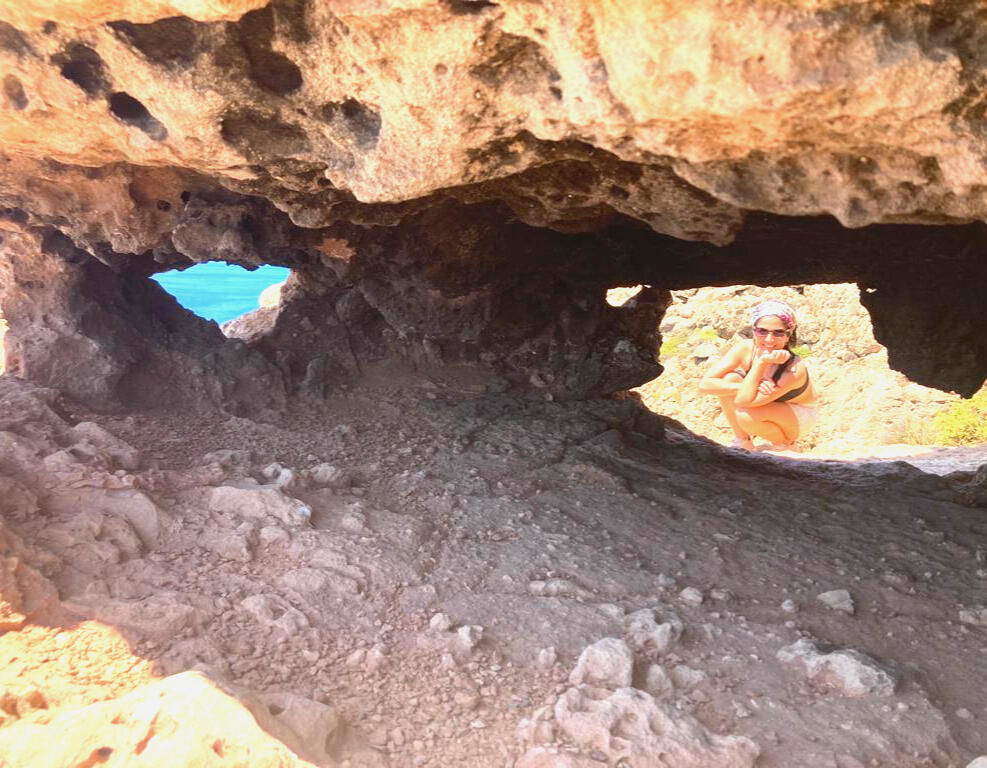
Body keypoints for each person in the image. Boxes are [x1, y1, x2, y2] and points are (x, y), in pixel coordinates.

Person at [698, 299, 818, 451]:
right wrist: (746, 385)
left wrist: (761, 364)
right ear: (754, 331)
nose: (769, 340)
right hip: (768, 405)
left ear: (788, 335)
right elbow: (705, 385)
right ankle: (743, 442)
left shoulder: (794, 369)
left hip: (798, 415)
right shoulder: (745, 349)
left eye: (778, 333)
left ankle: (785, 445)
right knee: (728, 380)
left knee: (745, 415)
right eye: (762, 331)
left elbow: (743, 401)